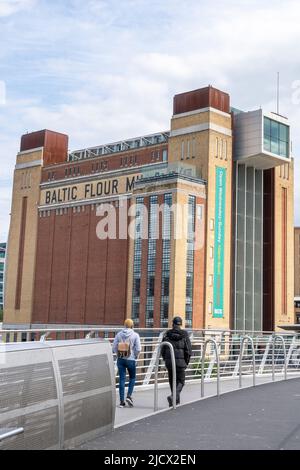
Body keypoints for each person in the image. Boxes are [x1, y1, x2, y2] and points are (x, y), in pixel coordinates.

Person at [161, 316, 192, 407]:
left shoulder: (167, 334)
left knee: (172, 380)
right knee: (181, 381)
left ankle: (175, 400)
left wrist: (165, 359)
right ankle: (174, 397)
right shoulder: (184, 334)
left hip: (169, 362)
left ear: (172, 324)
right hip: (180, 362)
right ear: (180, 324)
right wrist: (186, 362)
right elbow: (188, 351)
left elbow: (162, 349)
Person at [113, 318, 141, 408]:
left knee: (122, 379)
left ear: (125, 325)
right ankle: (129, 396)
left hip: (121, 359)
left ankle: (121, 402)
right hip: (131, 359)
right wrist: (135, 356)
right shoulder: (135, 335)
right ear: (132, 325)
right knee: (132, 378)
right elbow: (138, 349)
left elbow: (114, 347)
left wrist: (118, 354)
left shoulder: (119, 334)